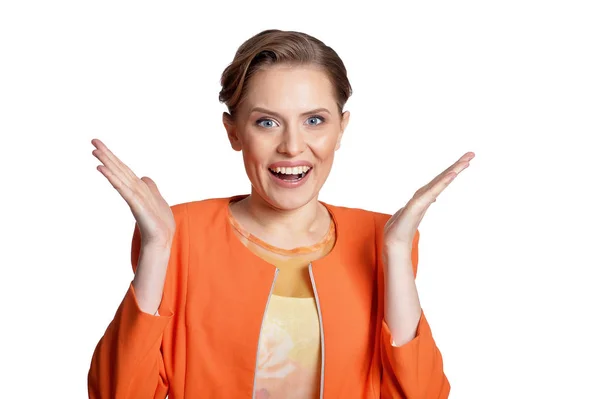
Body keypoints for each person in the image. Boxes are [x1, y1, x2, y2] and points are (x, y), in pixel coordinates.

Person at [87, 29, 474, 399]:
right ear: (234, 131)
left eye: (314, 120)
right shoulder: (179, 236)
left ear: (341, 129)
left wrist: (395, 250)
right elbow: (117, 394)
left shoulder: (381, 238)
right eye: (267, 122)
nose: (292, 146)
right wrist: (157, 248)